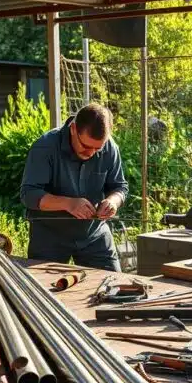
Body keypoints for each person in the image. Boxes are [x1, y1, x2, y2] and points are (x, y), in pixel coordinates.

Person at [20, 103, 128, 271]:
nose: (91, 153)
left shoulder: (110, 147)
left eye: (97, 149)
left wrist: (113, 202)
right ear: (73, 128)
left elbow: (120, 187)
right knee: (42, 292)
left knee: (113, 286)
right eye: (86, 147)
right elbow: (29, 194)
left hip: (95, 235)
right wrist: (68, 204)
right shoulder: (45, 147)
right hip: (49, 237)